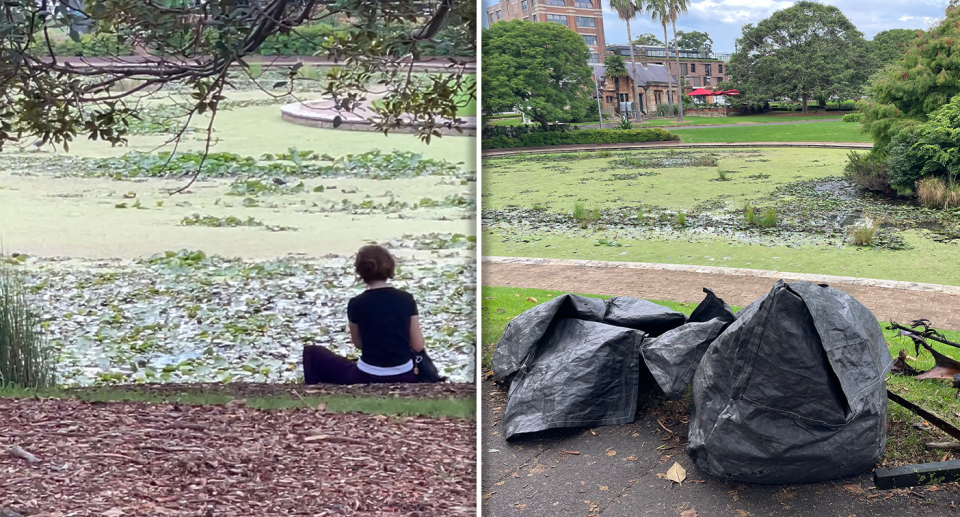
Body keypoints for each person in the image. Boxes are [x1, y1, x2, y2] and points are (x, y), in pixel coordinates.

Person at [303, 245, 425, 384]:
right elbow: (418, 345)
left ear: (360, 271)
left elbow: (359, 343)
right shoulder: (406, 299)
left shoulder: (356, 303)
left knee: (312, 352)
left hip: (367, 375)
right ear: (390, 268)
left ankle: (312, 393)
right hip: (404, 373)